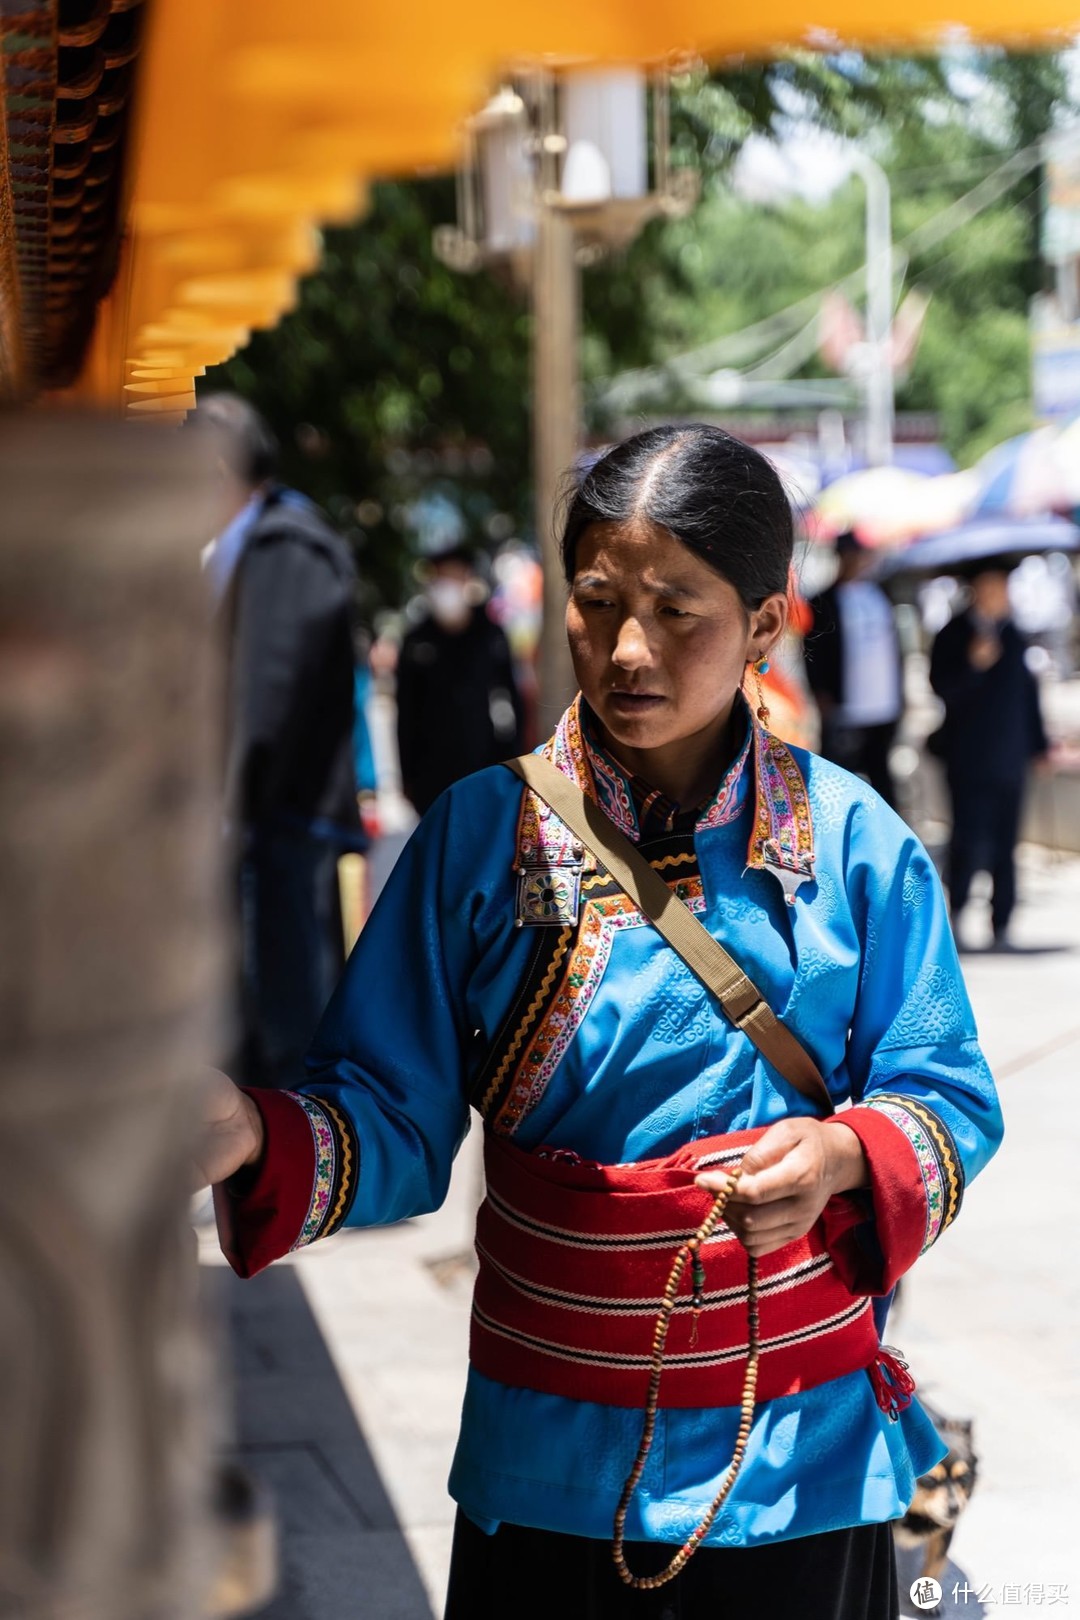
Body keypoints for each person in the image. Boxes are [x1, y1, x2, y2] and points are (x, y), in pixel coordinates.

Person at [200, 425, 1001, 1619]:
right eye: (595, 600)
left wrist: (845, 1152)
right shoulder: (478, 840)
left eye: (681, 610)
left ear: (767, 629)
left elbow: (945, 1095)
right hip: (547, 1464)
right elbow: (389, 1115)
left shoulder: (857, 845)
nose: (627, 649)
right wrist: (252, 1135)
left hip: (800, 1459)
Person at [197, 393, 362, 1089]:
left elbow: (265, 700)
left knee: (286, 1027)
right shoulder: (254, 543)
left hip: (279, 827)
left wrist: (221, 806)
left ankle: (300, 1181)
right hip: (265, 825)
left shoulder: (287, 547)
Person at [929, 564, 1049, 949]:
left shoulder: (1013, 634)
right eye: (993, 588)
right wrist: (973, 666)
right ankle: (959, 909)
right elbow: (942, 689)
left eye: (1004, 588)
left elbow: (1029, 697)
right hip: (968, 757)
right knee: (967, 837)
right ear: (976, 591)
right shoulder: (953, 633)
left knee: (1006, 842)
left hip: (1009, 755)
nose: (1001, 596)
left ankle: (1003, 921)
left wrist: (1039, 745)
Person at [396, 545, 525, 815]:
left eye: (454, 577)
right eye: (441, 578)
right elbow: (405, 712)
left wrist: (516, 761)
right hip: (430, 775)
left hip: (485, 764)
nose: (447, 586)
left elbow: (512, 700)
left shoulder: (490, 634)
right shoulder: (417, 639)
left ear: (467, 579)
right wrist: (406, 776)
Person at [804, 529, 904, 807]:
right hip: (844, 707)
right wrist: (820, 693)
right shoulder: (823, 601)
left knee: (882, 779)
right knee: (836, 781)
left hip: (883, 706)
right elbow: (812, 651)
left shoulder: (880, 594)